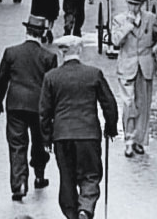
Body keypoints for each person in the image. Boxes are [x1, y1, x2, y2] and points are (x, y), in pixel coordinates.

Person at [39, 35, 119, 219]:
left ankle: (72, 215)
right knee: (90, 175)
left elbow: (44, 111)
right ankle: (86, 207)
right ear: (80, 50)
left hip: (62, 136)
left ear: (61, 52)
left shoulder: (51, 77)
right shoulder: (93, 73)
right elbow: (109, 103)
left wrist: (47, 137)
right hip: (88, 134)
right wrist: (111, 127)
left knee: (67, 179)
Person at [0, 15, 58, 201]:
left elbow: (1, 80)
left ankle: (19, 183)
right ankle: (39, 175)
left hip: (16, 104)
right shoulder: (48, 57)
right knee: (39, 142)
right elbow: (51, 86)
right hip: (39, 106)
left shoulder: (11, 52)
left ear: (26, 31)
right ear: (43, 33)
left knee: (17, 145)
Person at [111, 0, 157, 157]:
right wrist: (129, 25)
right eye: (131, 4)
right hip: (127, 67)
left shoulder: (150, 19)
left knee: (143, 105)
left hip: (145, 66)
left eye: (137, 4)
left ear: (141, 5)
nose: (134, 7)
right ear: (127, 3)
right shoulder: (119, 20)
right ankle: (128, 140)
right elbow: (115, 41)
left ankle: (139, 141)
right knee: (129, 104)